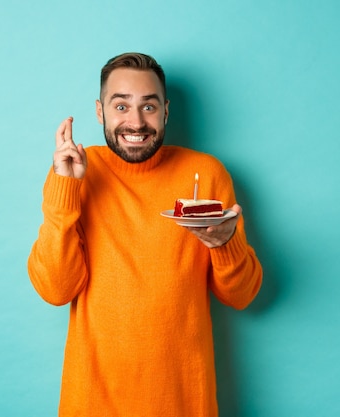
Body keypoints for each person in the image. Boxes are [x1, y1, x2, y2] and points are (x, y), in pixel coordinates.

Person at [28, 52, 262, 417]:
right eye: (120, 106)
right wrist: (65, 191)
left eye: (148, 107)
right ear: (100, 111)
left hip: (184, 402)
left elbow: (243, 295)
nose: (135, 122)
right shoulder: (76, 173)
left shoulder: (207, 173)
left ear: (166, 111)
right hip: (93, 402)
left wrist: (224, 245)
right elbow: (56, 290)